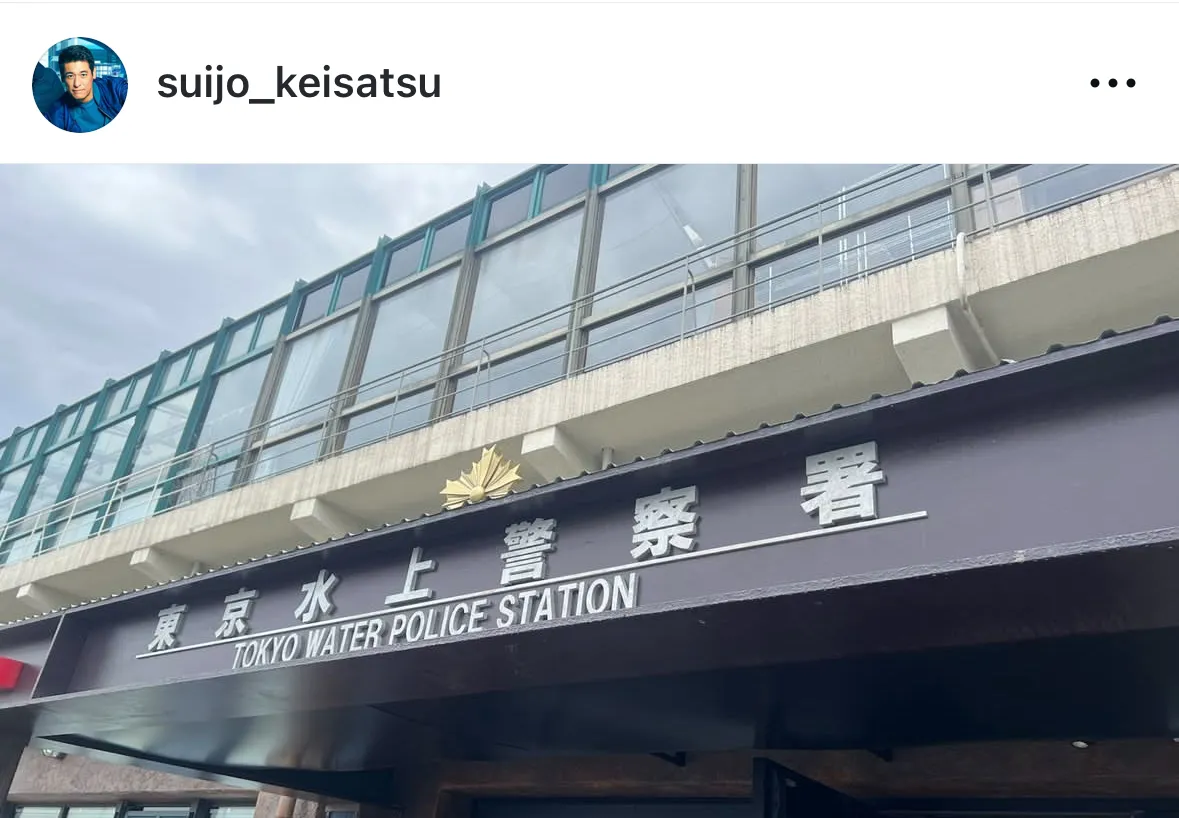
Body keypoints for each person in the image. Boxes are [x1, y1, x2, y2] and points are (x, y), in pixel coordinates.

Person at [42, 44, 127, 132]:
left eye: (83, 75)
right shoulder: (56, 114)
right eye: (70, 76)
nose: (77, 84)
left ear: (93, 73)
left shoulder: (115, 88)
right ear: (63, 78)